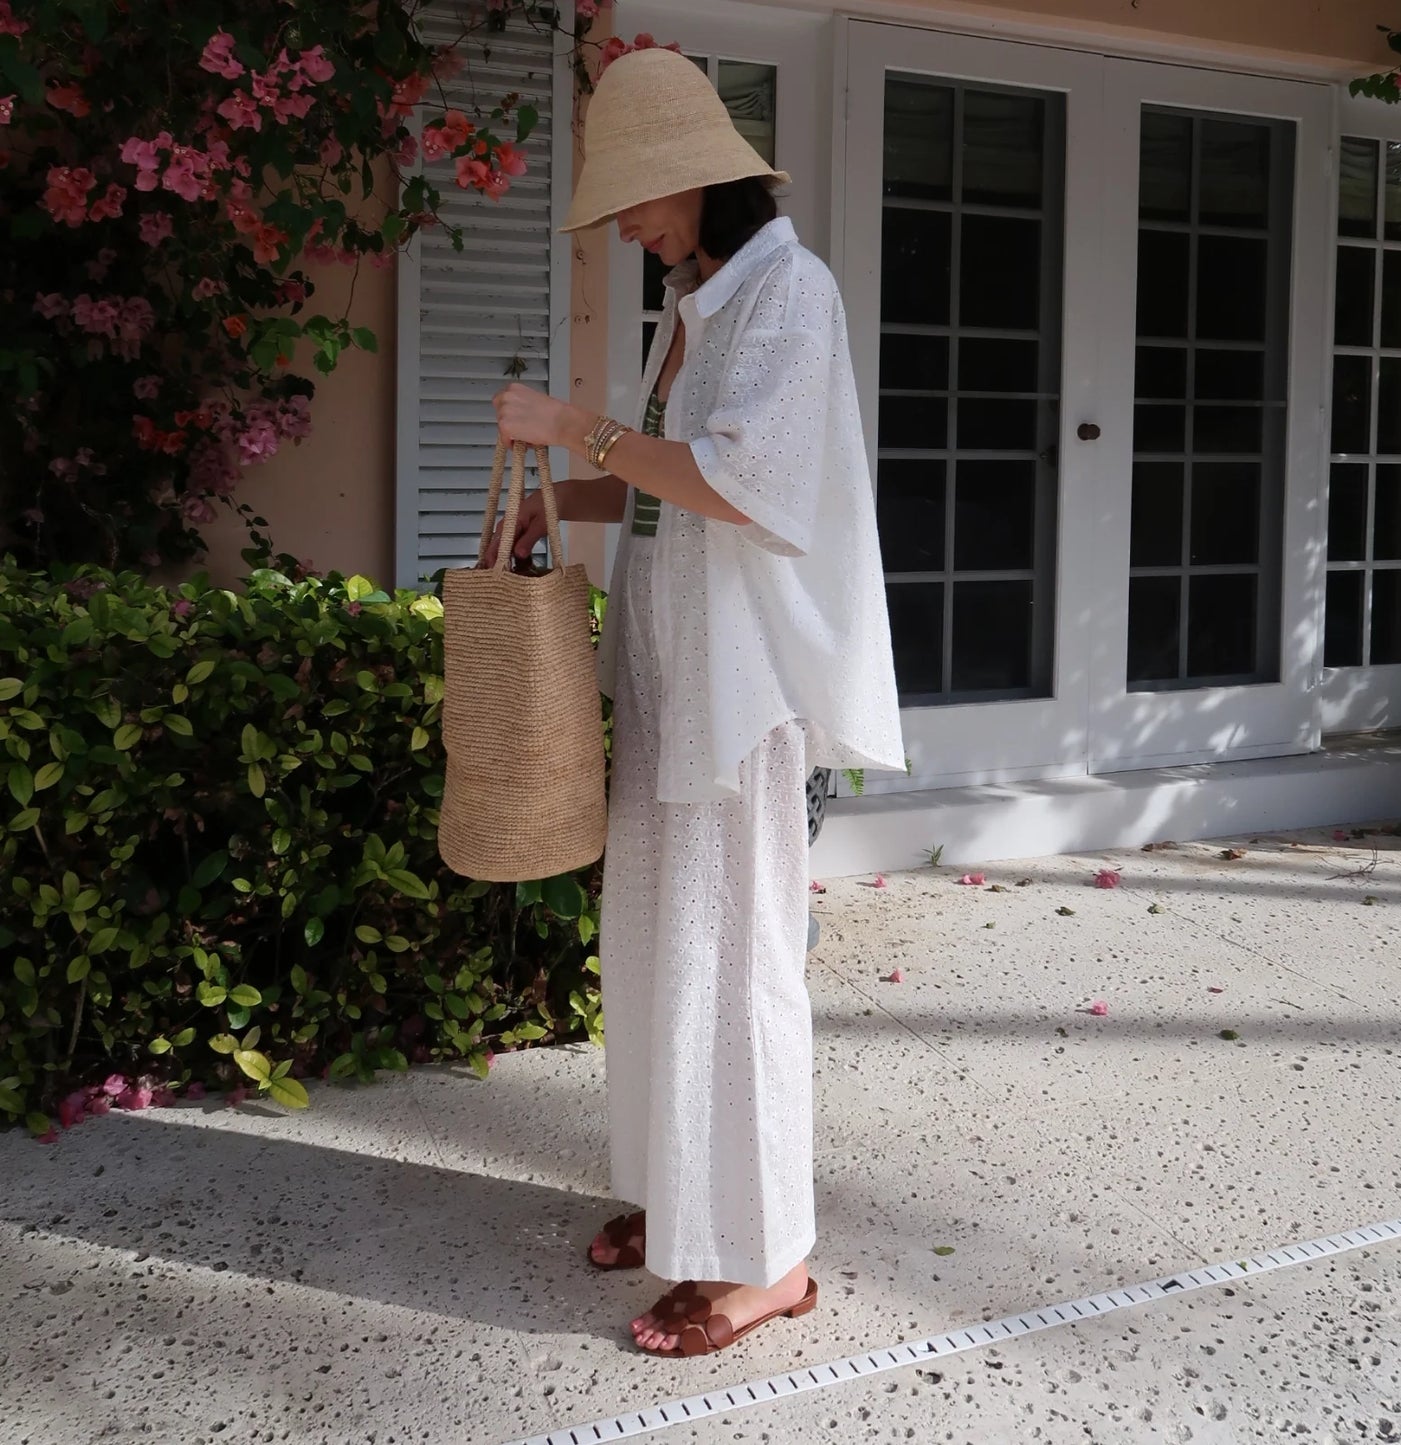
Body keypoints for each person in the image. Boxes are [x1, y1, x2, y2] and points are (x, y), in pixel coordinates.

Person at [487, 46, 904, 1359]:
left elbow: (744, 487)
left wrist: (578, 430)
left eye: (633, 199)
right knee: (662, 950)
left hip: (740, 695)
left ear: (691, 178)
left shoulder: (789, 293)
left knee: (739, 969)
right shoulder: (701, 301)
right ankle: (682, 1200)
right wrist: (572, 497)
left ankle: (769, 1261)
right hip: (674, 680)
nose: (623, 226)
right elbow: (670, 486)